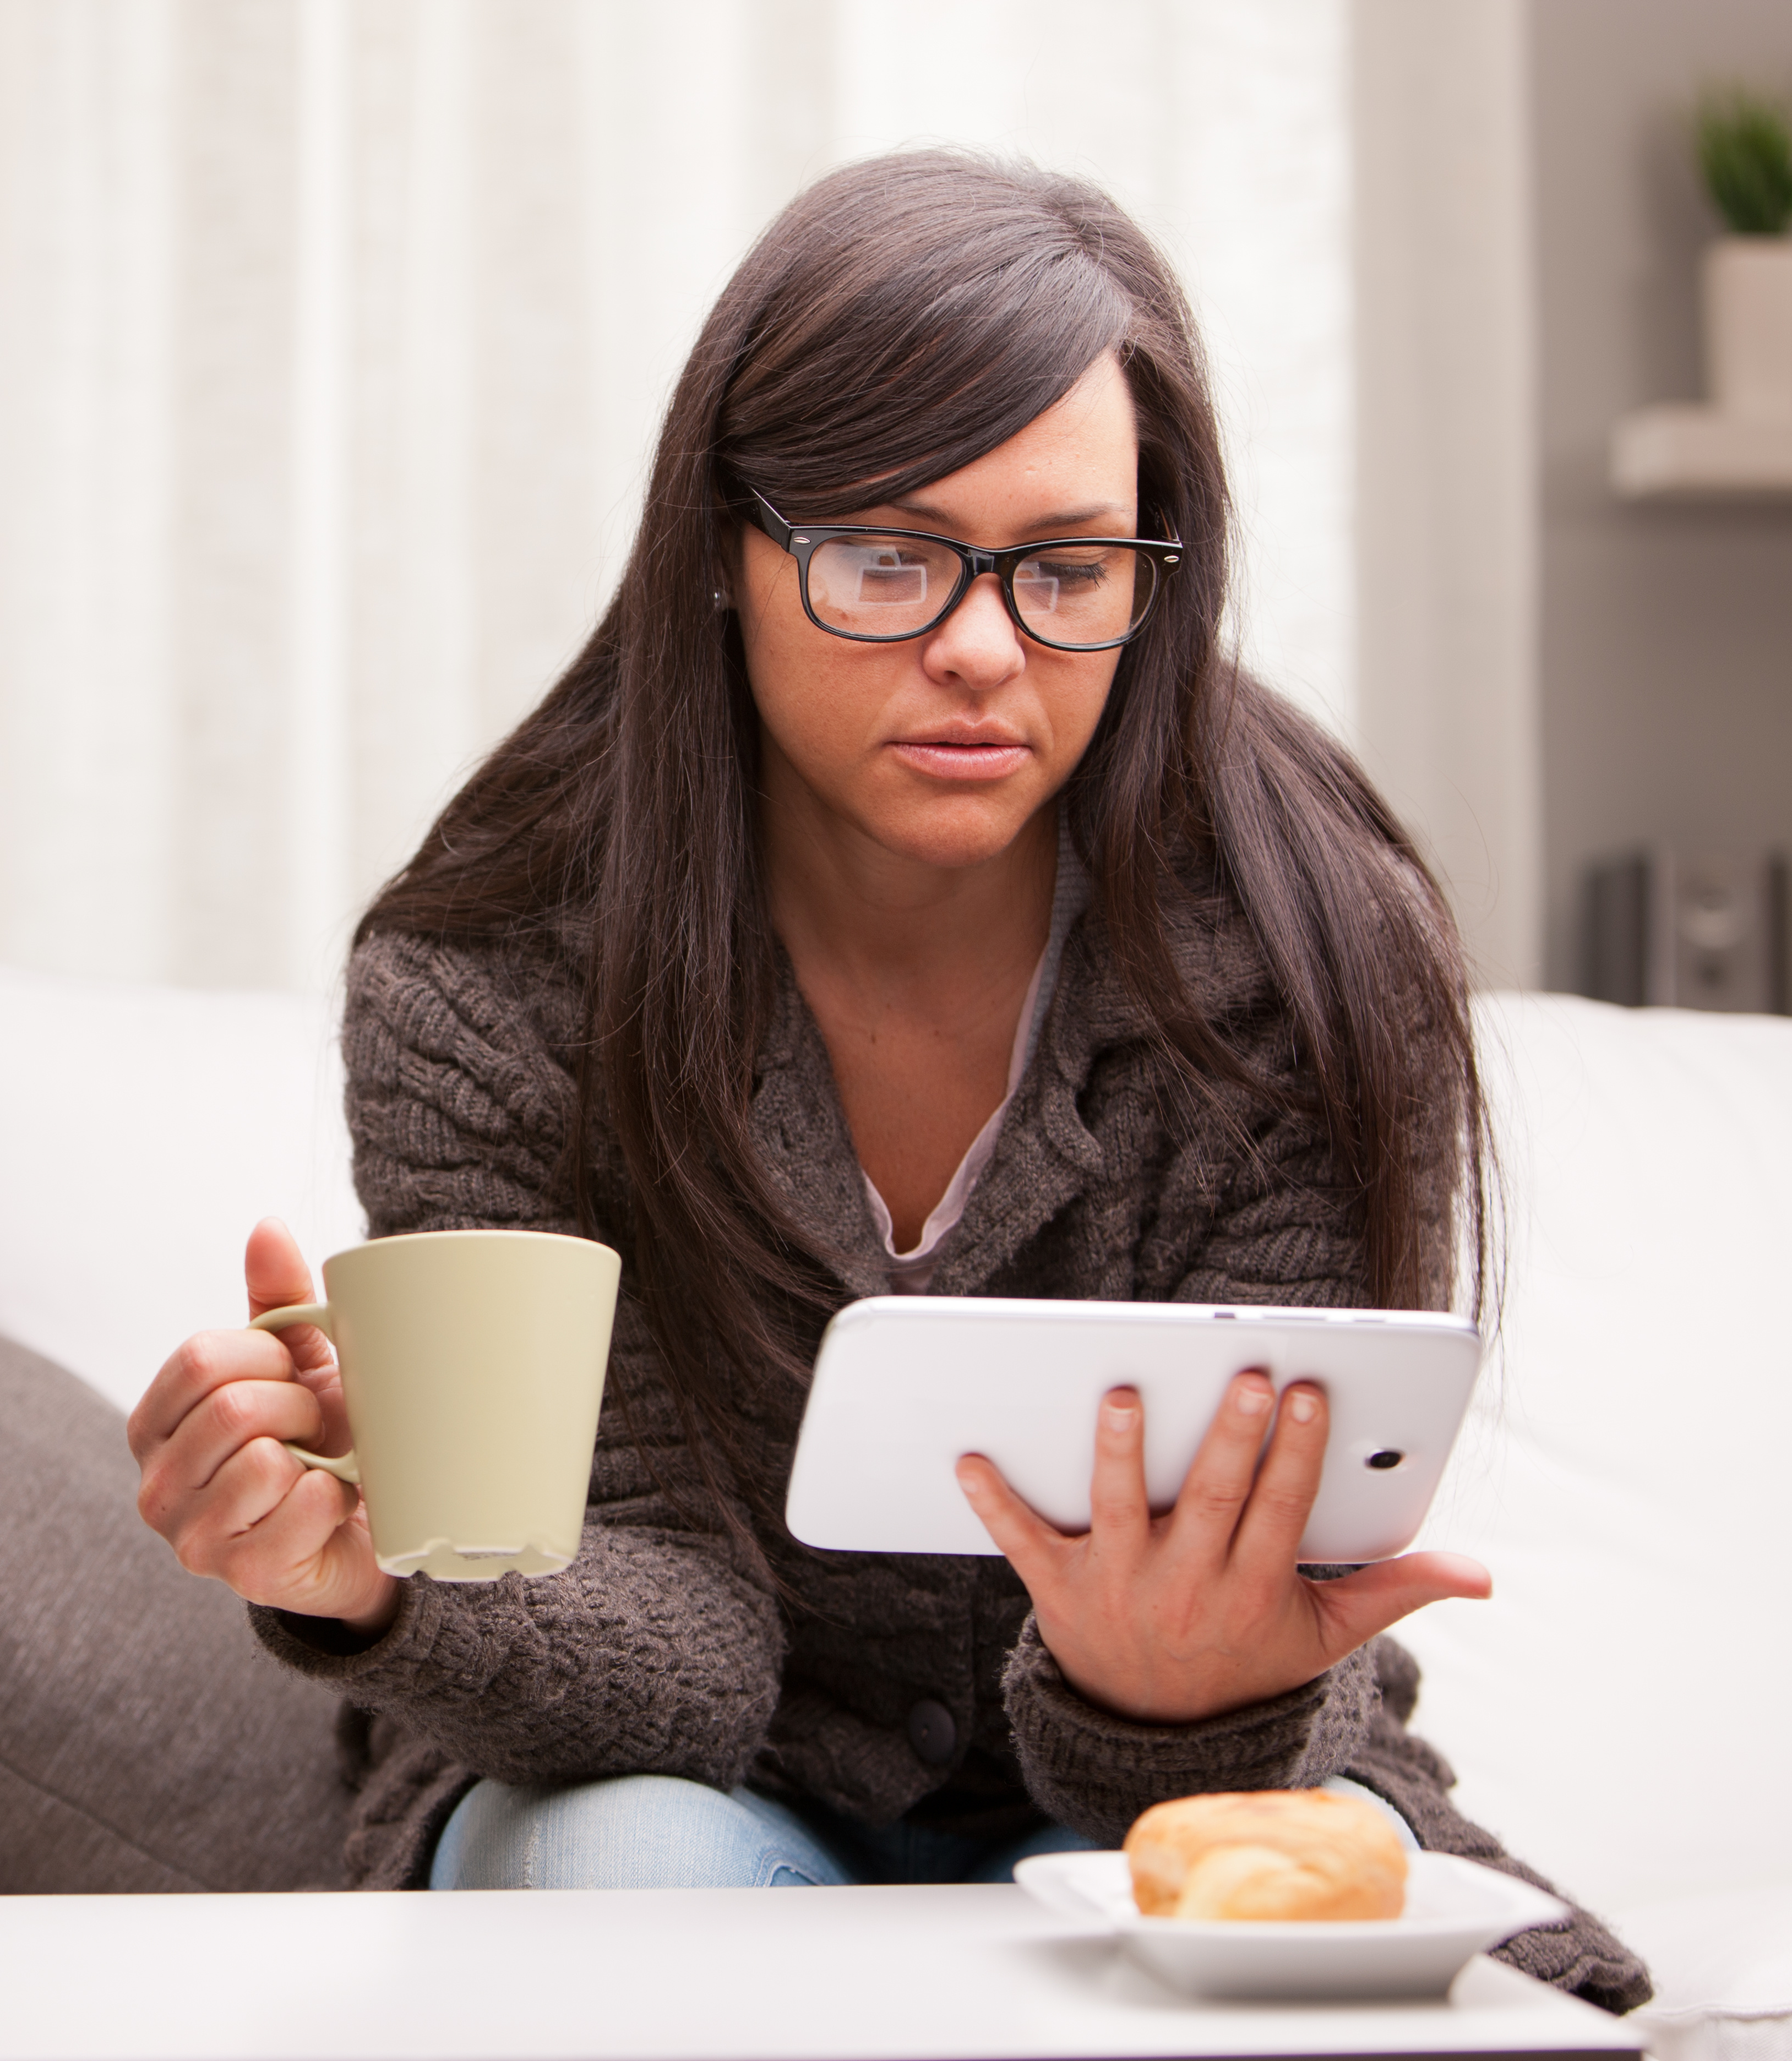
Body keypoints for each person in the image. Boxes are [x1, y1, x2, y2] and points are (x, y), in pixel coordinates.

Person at [125, 154, 1648, 2010]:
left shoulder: (1308, 956)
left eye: (1069, 569)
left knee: (1284, 1914)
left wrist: (1173, 1682)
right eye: (885, 559)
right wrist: (377, 1580)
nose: (984, 650)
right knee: (629, 1869)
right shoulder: (493, 971)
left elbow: (1281, 1679)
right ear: (720, 548)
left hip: (1202, 1767)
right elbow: (676, 1663)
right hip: (673, 1783)